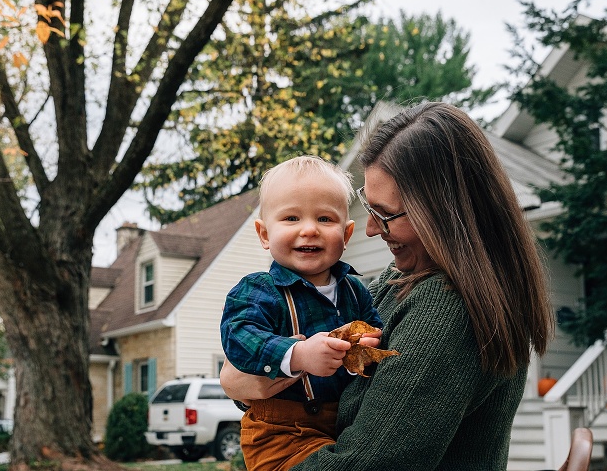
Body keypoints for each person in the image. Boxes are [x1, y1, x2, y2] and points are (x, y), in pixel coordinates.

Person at [220, 102, 554, 470]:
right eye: (368, 207)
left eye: (385, 214)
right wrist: (248, 380)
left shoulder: (446, 308)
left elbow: (368, 464)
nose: (370, 229)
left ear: (442, 211)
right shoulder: (397, 283)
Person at [220, 155, 383, 471]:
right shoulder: (259, 290)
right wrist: (297, 354)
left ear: (346, 235)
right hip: (280, 432)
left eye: (324, 219)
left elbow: (374, 332)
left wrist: (361, 350)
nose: (309, 230)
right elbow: (239, 336)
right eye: (292, 218)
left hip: (340, 423)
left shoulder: (356, 291)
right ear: (265, 234)